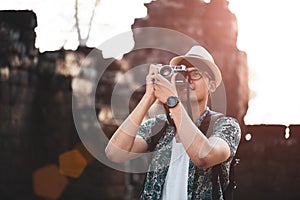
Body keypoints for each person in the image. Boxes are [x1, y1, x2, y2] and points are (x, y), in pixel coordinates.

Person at [105, 45, 241, 200]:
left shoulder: (226, 126)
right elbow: (114, 153)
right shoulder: (159, 126)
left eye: (196, 73)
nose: (187, 80)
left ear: (211, 85)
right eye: (182, 74)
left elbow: (204, 156)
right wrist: (149, 97)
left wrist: (173, 103)